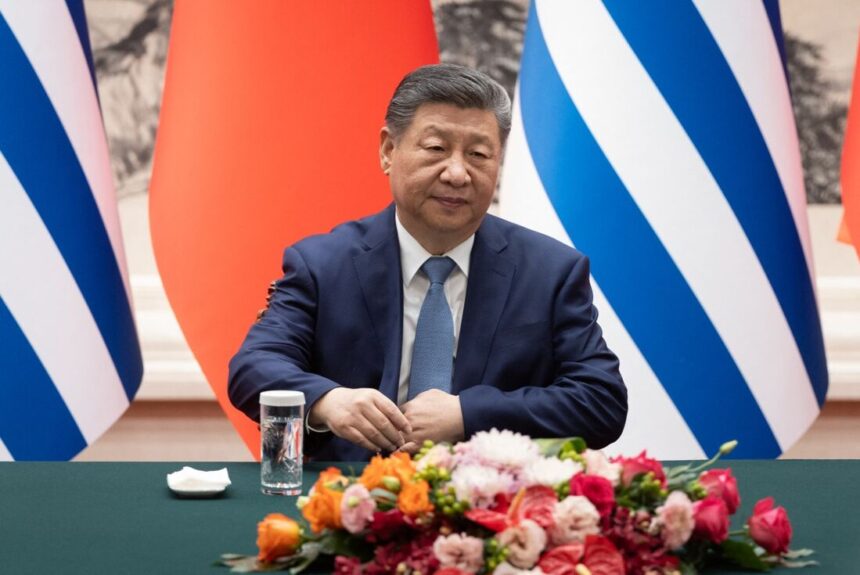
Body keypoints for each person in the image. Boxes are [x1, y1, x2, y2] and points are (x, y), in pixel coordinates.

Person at [228, 64, 627, 461]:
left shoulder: (550, 273)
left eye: (478, 154)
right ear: (389, 150)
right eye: (436, 148)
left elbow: (601, 400)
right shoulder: (322, 264)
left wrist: (468, 414)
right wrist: (328, 402)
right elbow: (254, 367)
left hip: (491, 492)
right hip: (349, 489)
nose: (457, 173)